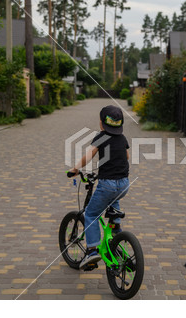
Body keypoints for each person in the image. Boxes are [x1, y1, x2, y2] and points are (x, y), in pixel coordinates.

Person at [69, 105, 130, 269]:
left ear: (102, 124)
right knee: (113, 204)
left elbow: (88, 157)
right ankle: (116, 232)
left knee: (91, 214)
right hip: (124, 184)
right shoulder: (123, 138)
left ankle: (92, 251)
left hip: (107, 184)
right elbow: (127, 156)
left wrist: (75, 169)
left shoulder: (101, 137)